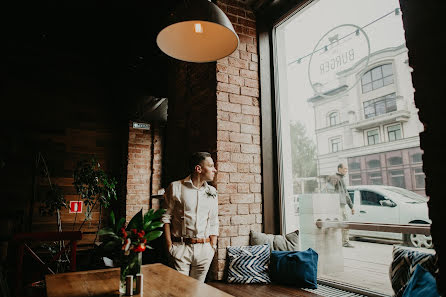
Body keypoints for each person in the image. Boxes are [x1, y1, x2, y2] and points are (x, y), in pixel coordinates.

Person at [161, 152, 219, 282]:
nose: (214, 170)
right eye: (210, 166)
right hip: (180, 248)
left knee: (197, 291)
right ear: (198, 169)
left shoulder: (212, 192)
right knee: (180, 291)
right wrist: (170, 246)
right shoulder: (175, 187)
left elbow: (214, 220)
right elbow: (165, 217)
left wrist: (212, 247)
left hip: (204, 250)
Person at [327, 163, 355, 248]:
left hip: (342, 205)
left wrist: (351, 206)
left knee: (345, 223)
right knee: (336, 223)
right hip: (336, 205)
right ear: (339, 169)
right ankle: (336, 241)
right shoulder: (334, 177)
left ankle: (345, 242)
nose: (346, 171)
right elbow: (329, 191)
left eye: (347, 169)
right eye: (344, 169)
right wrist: (333, 203)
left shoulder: (342, 179)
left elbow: (346, 194)